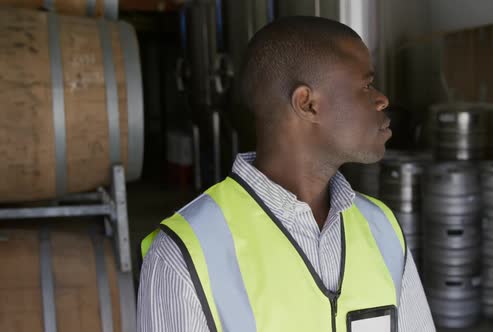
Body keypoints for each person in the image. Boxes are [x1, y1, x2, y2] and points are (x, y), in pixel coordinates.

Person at [138, 16, 435, 332]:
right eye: (365, 85)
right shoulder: (184, 255)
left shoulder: (382, 229)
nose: (382, 99)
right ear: (307, 104)